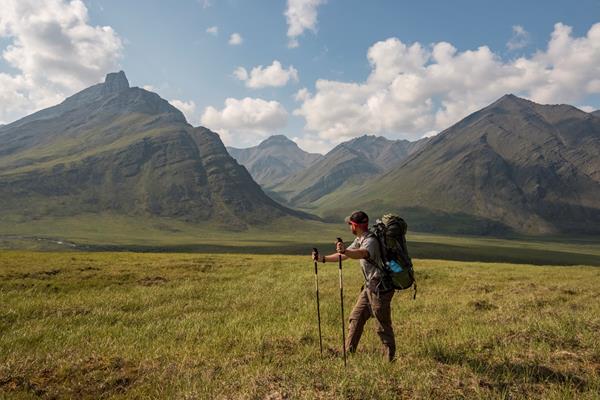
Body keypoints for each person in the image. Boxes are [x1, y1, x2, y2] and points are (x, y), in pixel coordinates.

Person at [312, 210, 396, 362]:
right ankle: (348, 352)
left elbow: (362, 253)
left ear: (355, 225)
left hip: (380, 288)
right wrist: (322, 259)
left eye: (350, 224)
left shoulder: (370, 241)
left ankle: (389, 360)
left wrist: (347, 251)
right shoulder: (361, 238)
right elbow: (344, 255)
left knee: (382, 325)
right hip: (369, 287)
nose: (349, 226)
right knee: (355, 318)